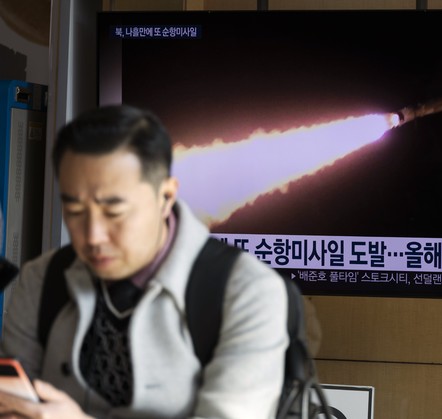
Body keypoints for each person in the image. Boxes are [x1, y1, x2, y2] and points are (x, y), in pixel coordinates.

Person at [0, 104, 288, 418]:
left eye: (114, 212)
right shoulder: (40, 279)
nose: (93, 236)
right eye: (75, 211)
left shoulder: (248, 291)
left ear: (165, 197)